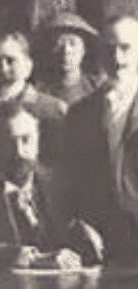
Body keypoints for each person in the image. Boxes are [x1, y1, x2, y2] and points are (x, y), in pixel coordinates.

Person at [62, 16, 138, 266]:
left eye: (125, 47)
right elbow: (72, 178)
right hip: (99, 235)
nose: (117, 57)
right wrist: (80, 224)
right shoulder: (80, 113)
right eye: (108, 49)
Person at [0, 103, 97, 269]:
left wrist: (91, 239)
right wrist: (30, 258)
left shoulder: (61, 185)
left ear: (38, 138)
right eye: (7, 142)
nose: (19, 152)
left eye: (26, 139)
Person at [0, 31, 66, 163]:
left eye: (10, 60)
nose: (3, 69)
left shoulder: (52, 109)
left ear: (28, 66)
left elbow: (62, 165)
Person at [32, 11, 104, 105]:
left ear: (83, 50)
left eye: (72, 43)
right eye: (59, 44)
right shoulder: (38, 92)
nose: (66, 51)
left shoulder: (97, 88)